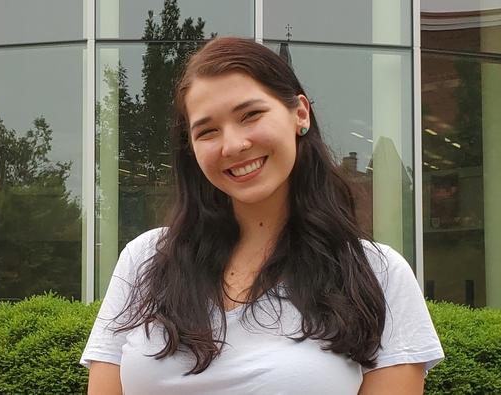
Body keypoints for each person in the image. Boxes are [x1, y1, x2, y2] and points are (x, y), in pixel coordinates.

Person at [81, 37, 444, 395]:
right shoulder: (145, 259)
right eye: (207, 131)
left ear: (300, 113)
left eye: (250, 115)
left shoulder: (377, 274)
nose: (233, 145)